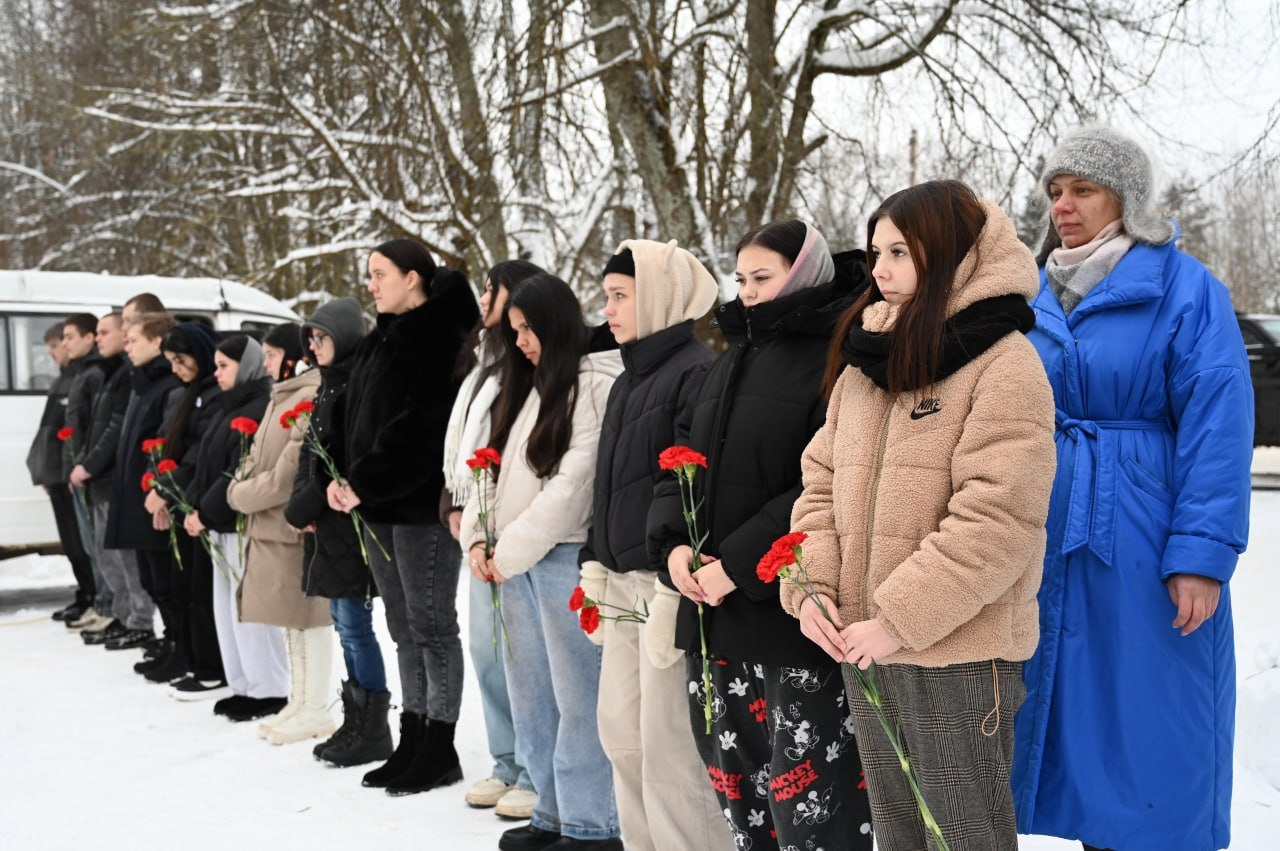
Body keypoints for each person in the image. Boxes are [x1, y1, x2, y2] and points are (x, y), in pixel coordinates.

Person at [782, 182, 1057, 849]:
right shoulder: (866, 367)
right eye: (876, 251)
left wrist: (899, 619)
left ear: (953, 254)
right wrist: (812, 589)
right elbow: (818, 484)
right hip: (867, 642)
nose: (878, 270)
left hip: (957, 651)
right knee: (901, 834)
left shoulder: (1004, 363)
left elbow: (999, 520)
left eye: (899, 252)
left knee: (964, 837)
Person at [1012, 126, 1253, 851]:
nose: (1064, 205)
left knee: (1145, 726)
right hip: (1043, 532)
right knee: (1060, 712)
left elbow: (1218, 424)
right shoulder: (1027, 294)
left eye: (1083, 189)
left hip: (1144, 537)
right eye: (1056, 191)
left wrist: (1201, 557)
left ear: (1126, 198)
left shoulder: (1187, 289)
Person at [646, 220, 874, 851]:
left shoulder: (841, 354)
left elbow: (822, 484)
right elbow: (682, 457)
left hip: (790, 621)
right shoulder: (727, 360)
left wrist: (738, 565)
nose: (745, 292)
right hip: (713, 623)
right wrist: (675, 546)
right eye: (740, 279)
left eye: (762, 278)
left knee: (811, 811)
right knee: (741, 803)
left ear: (802, 274)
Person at [460, 272, 623, 851]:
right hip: (518, 563)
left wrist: (506, 551)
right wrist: (479, 539)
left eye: (529, 329)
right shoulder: (529, 385)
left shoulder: (592, 383)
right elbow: (496, 473)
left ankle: (592, 823)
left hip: (560, 560)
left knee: (577, 697)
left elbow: (572, 487)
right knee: (532, 695)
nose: (522, 340)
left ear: (556, 322)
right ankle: (553, 813)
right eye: (515, 331)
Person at [577, 241, 729, 851]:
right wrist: (594, 561)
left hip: (663, 586)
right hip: (619, 585)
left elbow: (693, 484)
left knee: (669, 748)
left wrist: (675, 580)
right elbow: (606, 484)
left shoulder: (695, 372)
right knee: (621, 734)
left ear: (661, 296)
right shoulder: (626, 380)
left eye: (620, 295)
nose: (608, 309)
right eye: (607, 296)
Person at [330, 239, 478, 796]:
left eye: (379, 274)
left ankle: (440, 742)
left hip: (419, 508)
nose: (370, 285)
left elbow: (420, 431)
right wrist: (344, 480)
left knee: (432, 626)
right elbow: (355, 421)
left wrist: (363, 480)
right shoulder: (379, 339)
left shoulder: (437, 337)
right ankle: (412, 734)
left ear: (413, 277)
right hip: (377, 508)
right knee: (401, 627)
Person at [441, 260, 544, 818]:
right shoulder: (483, 358)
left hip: (514, 526)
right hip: (477, 521)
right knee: (486, 649)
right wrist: (454, 502)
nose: (483, 297)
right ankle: (507, 759)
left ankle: (533, 766)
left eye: (491, 287)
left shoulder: (528, 362)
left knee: (521, 655)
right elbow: (465, 441)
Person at [285, 297, 393, 768]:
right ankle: (355, 720)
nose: (314, 344)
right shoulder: (328, 387)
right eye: (311, 337)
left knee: (354, 626)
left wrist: (309, 501)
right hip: (326, 523)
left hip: (348, 524)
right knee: (345, 624)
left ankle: (372, 727)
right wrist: (300, 507)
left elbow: (342, 458)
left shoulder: (354, 385)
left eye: (322, 336)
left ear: (344, 336)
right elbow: (310, 458)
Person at [227, 323, 332, 744]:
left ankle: (316, 706)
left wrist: (240, 495)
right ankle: (299, 699)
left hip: (292, 525)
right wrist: (239, 486)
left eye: (271, 354)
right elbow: (253, 459)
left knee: (310, 619)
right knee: (290, 619)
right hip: (270, 526)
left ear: (292, 355)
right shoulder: (279, 397)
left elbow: (287, 474)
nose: (266, 362)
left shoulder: (306, 397)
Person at [183, 335, 280, 722]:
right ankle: (243, 684)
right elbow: (207, 464)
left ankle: (269, 688)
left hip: (241, 522)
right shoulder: (228, 407)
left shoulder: (257, 407)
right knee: (227, 611)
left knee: (251, 611)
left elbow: (238, 469)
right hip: (219, 524)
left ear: (249, 365)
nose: (216, 372)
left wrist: (204, 512)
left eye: (225, 365)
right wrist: (192, 504)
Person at [138, 322, 224, 692]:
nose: (176, 368)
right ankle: (191, 658)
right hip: (181, 502)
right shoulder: (189, 393)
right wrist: (162, 491)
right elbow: (172, 448)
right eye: (171, 361)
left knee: (199, 591)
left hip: (198, 504)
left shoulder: (212, 395)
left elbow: (197, 456)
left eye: (181, 360)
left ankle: (209, 666)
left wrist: (166, 491)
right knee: (182, 588)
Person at [98, 311, 181, 651]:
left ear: (157, 342)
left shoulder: (167, 386)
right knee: (149, 576)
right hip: (134, 495)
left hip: (152, 498)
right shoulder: (140, 383)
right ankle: (170, 641)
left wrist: (157, 488)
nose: (127, 346)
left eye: (133, 340)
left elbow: (165, 445)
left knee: (163, 579)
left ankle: (177, 642)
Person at [70, 313, 138, 645]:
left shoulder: (123, 375)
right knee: (105, 554)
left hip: (111, 478)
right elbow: (93, 428)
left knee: (123, 559)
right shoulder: (111, 374)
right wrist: (83, 460)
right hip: (98, 478)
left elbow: (115, 429)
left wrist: (89, 464)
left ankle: (134, 620)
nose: (98, 338)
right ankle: (123, 616)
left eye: (103, 332)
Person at [30, 321, 95, 624]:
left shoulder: (80, 378)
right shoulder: (63, 379)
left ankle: (92, 595)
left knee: (81, 542)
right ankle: (85, 593)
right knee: (71, 541)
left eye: (59, 343)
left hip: (67, 473)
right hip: (57, 473)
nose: (57, 350)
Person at [60, 314, 110, 632]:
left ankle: (107, 605)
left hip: (90, 470)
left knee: (99, 545)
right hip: (79, 467)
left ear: (89, 338)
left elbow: (95, 426)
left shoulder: (94, 374)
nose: (65, 343)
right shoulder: (80, 372)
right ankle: (100, 602)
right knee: (90, 545)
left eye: (69, 336)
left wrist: (86, 462)